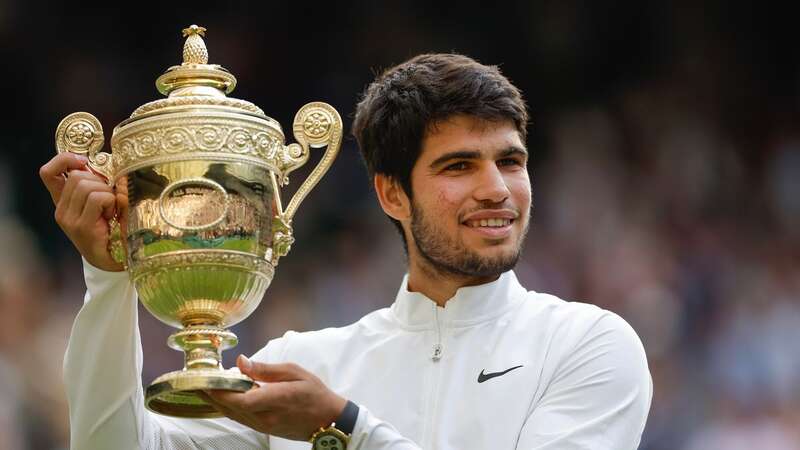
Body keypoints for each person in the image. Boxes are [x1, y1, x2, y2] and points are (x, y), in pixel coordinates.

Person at [40, 53, 652, 449]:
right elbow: (110, 444)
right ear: (391, 194)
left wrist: (345, 428)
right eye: (459, 166)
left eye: (509, 161)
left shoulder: (587, 344)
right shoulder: (304, 367)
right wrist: (108, 276)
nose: (496, 189)